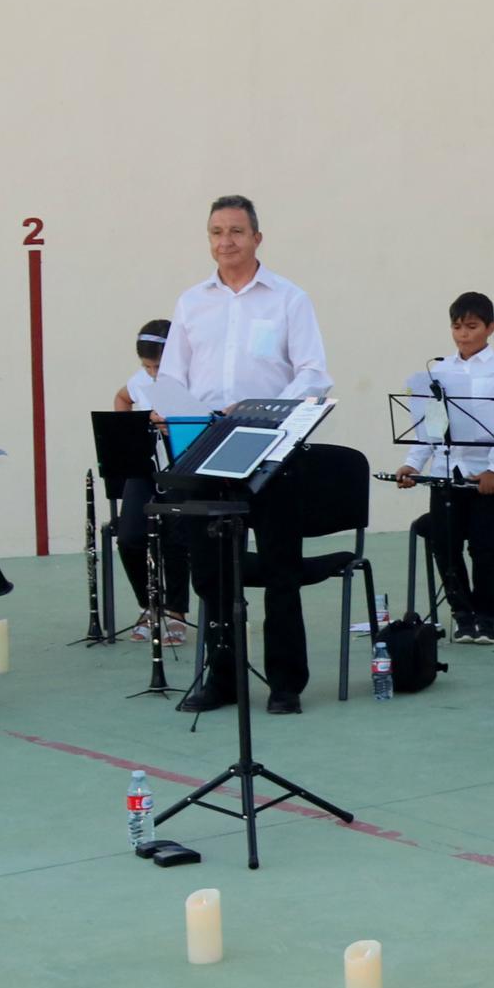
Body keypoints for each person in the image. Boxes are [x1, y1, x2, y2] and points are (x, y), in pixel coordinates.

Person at [158, 196, 332, 715]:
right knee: (212, 574)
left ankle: (285, 683)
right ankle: (224, 678)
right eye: (216, 232)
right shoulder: (192, 302)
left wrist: (261, 409)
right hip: (206, 450)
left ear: (258, 237)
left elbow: (313, 375)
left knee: (280, 568)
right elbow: (171, 377)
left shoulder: (288, 299)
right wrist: (168, 410)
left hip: (269, 446)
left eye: (236, 231)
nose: (226, 241)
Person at [403, 291, 494, 645]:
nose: (463, 334)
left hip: (487, 475)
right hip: (447, 472)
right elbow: (431, 424)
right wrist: (413, 464)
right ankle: (462, 614)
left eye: (472, 326)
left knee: (484, 545)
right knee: (444, 543)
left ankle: (487, 617)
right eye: (457, 327)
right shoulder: (438, 371)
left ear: (490, 328)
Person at [110, 319, 187, 643]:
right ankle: (149, 605)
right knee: (129, 537)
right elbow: (122, 397)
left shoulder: (188, 380)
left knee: (175, 538)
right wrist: (130, 432)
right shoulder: (141, 380)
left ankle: (176, 612)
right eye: (147, 366)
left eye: (157, 366)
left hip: (182, 469)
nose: (152, 373)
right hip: (146, 467)